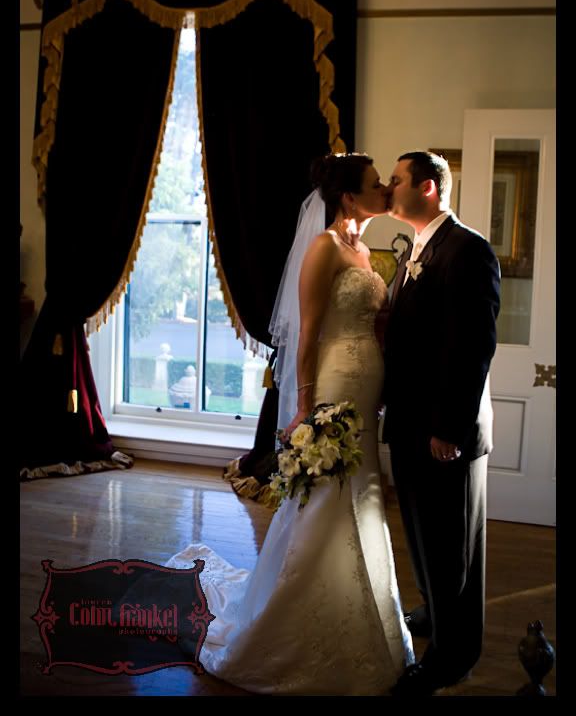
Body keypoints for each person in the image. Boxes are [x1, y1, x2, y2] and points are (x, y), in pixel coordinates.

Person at [164, 152, 414, 695]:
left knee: (362, 492)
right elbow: (307, 333)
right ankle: (293, 616)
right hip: (334, 384)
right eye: (375, 185)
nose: (385, 191)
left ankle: (360, 610)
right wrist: (305, 406)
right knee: (327, 495)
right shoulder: (324, 247)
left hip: (367, 387)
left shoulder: (363, 250)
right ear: (349, 197)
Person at [382, 151, 501, 697]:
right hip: (411, 423)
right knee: (423, 534)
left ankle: (452, 657)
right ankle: (434, 611)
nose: (389, 186)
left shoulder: (467, 249)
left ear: (427, 187)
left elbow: (471, 347)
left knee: (453, 546)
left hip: (443, 431)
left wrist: (448, 429)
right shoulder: (418, 249)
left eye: (398, 179)